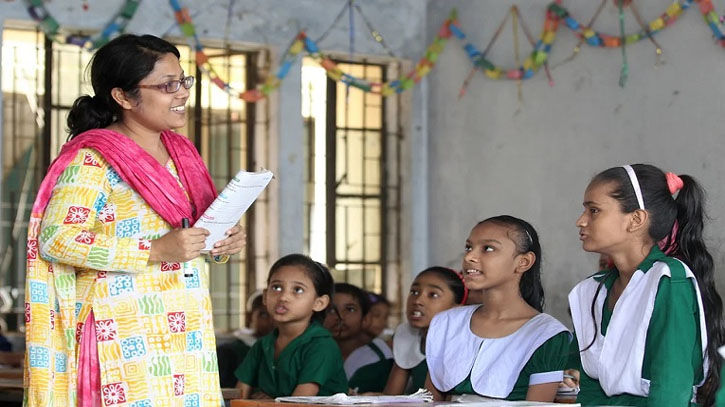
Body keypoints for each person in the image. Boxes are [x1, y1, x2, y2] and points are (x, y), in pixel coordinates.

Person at [23, 34, 246, 407]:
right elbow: (57, 238)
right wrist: (154, 249)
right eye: (167, 85)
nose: (181, 94)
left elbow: (191, 232)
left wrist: (222, 243)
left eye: (183, 81)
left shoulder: (181, 153)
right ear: (123, 97)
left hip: (183, 326)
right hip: (122, 331)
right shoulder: (94, 158)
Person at [570, 164, 723, 406]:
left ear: (636, 219)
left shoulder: (668, 280)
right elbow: (590, 389)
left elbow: (670, 392)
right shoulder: (591, 291)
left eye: (594, 210)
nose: (581, 221)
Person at [425, 216, 570, 402]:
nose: (469, 257)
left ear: (523, 262)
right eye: (469, 247)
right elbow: (429, 401)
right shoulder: (446, 323)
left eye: (488, 248)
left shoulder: (546, 334)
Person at [235, 254, 347, 398]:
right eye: (276, 287)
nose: (283, 297)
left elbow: (299, 402)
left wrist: (269, 403)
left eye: (297, 290)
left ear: (319, 303)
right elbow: (239, 395)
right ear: (265, 296)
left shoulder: (322, 346)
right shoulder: (263, 345)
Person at [384, 267, 466, 395]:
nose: (417, 301)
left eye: (433, 295)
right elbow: (390, 397)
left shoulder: (462, 342)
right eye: (414, 292)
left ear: (457, 307)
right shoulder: (407, 335)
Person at [324, 283, 392, 393]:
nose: (340, 317)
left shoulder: (381, 357)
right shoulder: (311, 351)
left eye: (350, 309)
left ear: (365, 318)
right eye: (331, 310)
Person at [217, 290, 274, 388]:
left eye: (275, 314)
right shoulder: (229, 352)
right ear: (250, 317)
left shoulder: (286, 349)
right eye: (264, 315)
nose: (271, 321)